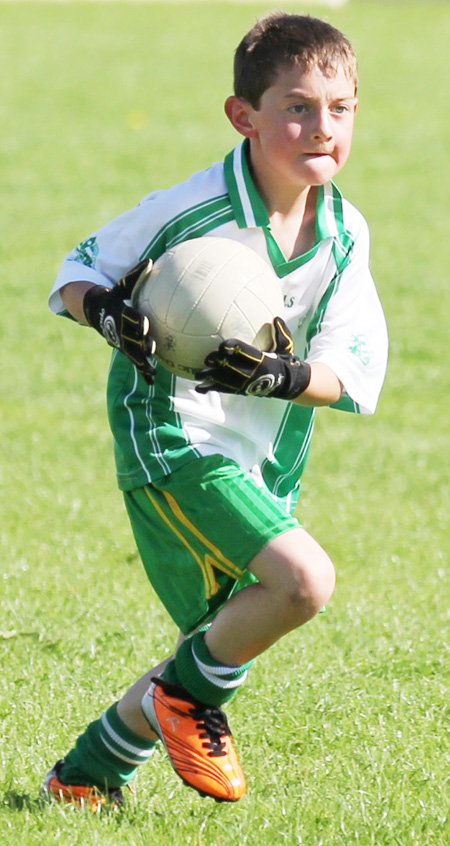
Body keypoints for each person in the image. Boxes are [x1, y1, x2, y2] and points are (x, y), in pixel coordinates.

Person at [43, 12, 388, 810]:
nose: (320, 127)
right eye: (296, 106)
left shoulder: (342, 234)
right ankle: (190, 705)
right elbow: (78, 270)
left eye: (339, 109)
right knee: (303, 583)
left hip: (262, 453)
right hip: (169, 432)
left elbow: (351, 370)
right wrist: (104, 313)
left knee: (227, 633)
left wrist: (281, 376)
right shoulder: (194, 208)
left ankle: (86, 776)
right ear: (245, 117)